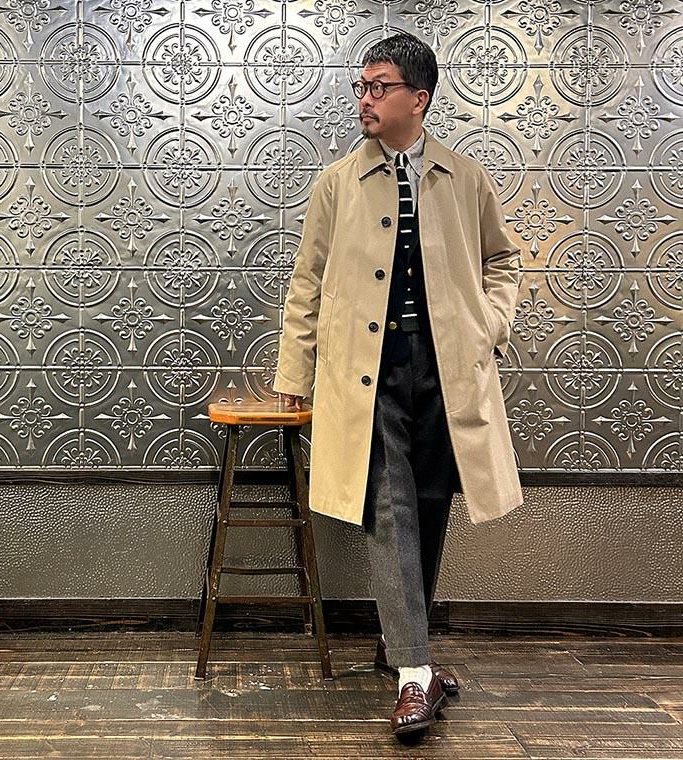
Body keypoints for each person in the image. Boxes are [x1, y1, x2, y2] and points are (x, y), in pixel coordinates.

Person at [272, 32, 523, 741]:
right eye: (361, 87)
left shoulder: (464, 177)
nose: (365, 99)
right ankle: (416, 673)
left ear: (419, 98)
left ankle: (399, 643)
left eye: (379, 87)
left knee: (432, 502)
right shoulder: (337, 182)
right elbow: (307, 280)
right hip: (366, 370)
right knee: (389, 508)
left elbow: (502, 261)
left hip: (447, 369)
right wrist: (294, 371)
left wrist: (489, 326)